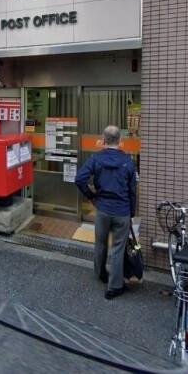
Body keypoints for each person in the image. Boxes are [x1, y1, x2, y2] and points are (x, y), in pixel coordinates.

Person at [75, 125, 137, 300]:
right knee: (118, 248)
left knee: (100, 242)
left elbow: (79, 179)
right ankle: (114, 286)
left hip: (102, 209)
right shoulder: (127, 161)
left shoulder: (96, 158)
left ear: (103, 140)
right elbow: (132, 190)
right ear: (120, 141)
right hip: (122, 211)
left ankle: (101, 274)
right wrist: (131, 213)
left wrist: (91, 196)